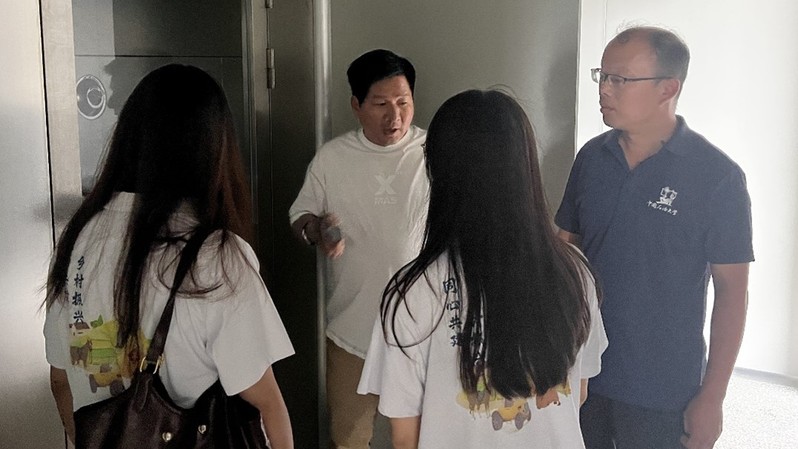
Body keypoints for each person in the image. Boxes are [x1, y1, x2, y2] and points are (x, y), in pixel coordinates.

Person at [44, 64, 295, 448]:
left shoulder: (79, 237)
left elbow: (60, 378)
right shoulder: (217, 257)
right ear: (214, 150)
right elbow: (265, 405)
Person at [357, 89, 608, 449]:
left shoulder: (412, 292)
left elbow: (405, 437)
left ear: (437, 170)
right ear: (525, 165)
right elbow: (577, 392)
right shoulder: (574, 272)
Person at [555, 26, 754, 449]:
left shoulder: (717, 177)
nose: (604, 89)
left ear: (668, 88)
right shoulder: (591, 158)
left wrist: (713, 396)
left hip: (663, 389)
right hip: (583, 374)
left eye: (619, 79)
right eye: (602, 76)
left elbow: (732, 292)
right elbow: (563, 253)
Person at [288, 48, 428, 449]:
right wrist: (317, 229)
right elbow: (300, 217)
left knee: (421, 438)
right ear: (356, 105)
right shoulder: (332, 158)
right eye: (381, 104)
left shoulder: (431, 153)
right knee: (348, 439)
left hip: (422, 331)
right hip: (352, 330)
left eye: (403, 102)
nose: (395, 116)